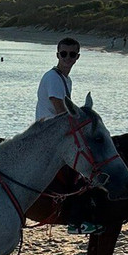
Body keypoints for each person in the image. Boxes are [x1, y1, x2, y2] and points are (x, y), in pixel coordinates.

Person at [35, 37, 101, 235]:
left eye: (72, 54)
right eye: (64, 53)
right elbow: (61, 112)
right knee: (83, 168)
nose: (67, 57)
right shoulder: (53, 78)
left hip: (57, 133)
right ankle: (75, 221)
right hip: (50, 134)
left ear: (77, 57)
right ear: (57, 55)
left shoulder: (65, 79)